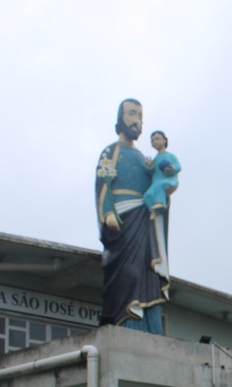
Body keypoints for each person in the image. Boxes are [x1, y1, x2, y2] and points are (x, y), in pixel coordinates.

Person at [95, 99, 169, 334]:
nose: (136, 119)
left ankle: (153, 329)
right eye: (131, 113)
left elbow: (157, 185)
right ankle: (127, 323)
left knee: (149, 273)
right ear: (120, 118)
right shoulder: (112, 150)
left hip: (145, 221)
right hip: (122, 220)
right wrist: (107, 212)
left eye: (139, 115)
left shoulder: (144, 159)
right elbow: (103, 182)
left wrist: (166, 187)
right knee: (128, 274)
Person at [143, 130, 180, 215]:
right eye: (152, 141)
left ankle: (160, 203)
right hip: (157, 184)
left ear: (164, 140)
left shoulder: (170, 156)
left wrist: (171, 169)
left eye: (157, 139)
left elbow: (178, 167)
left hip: (169, 181)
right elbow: (152, 172)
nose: (154, 142)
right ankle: (153, 211)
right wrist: (150, 166)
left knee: (159, 185)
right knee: (146, 196)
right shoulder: (155, 159)